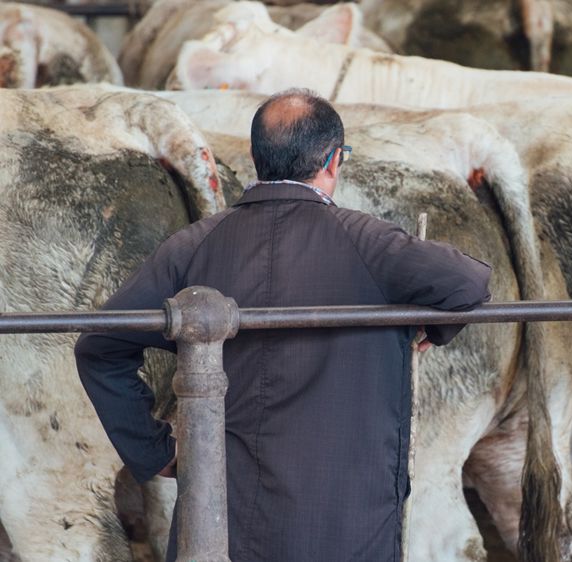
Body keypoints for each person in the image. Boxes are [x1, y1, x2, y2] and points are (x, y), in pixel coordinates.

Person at [75, 89, 492, 562]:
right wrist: (426, 328)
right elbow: (470, 282)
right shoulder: (367, 242)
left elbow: (99, 346)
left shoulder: (191, 246)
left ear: (255, 159)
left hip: (222, 517)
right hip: (344, 519)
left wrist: (157, 452)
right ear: (334, 160)